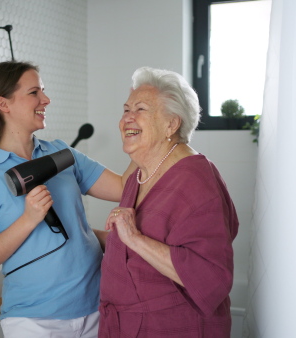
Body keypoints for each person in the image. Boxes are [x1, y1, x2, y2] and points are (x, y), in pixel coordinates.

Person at [0, 61, 128, 337]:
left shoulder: (60, 154)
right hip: (34, 320)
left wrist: (142, 140)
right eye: (34, 92)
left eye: (43, 91)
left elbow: (124, 187)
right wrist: (28, 219)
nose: (46, 100)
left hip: (95, 306)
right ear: (3, 104)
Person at [98, 67, 239, 338]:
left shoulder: (196, 180)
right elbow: (130, 253)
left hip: (174, 327)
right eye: (126, 109)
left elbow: (211, 277)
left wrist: (134, 238)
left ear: (171, 124)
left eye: (140, 109)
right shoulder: (139, 175)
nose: (127, 118)